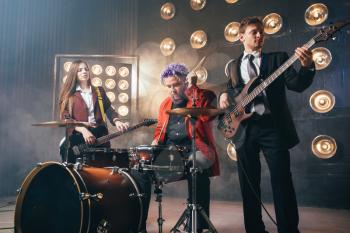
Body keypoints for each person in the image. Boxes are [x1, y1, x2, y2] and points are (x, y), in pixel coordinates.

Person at [219, 17, 315, 233]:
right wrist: (223, 95)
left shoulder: (278, 59)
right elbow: (233, 90)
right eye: (254, 32)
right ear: (241, 36)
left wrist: (307, 65)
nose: (260, 35)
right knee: (248, 185)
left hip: (272, 127)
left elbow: (297, 85)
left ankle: (288, 229)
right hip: (244, 130)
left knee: (282, 182)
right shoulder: (234, 65)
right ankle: (254, 229)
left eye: (262, 32)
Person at [58, 60, 151, 233]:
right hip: (79, 142)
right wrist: (83, 130)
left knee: (103, 180)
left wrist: (117, 121)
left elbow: (109, 110)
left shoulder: (99, 91)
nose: (85, 72)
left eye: (86, 69)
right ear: (74, 74)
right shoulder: (69, 96)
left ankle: (105, 217)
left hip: (101, 140)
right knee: (82, 181)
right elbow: (66, 119)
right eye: (80, 70)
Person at [152, 63, 220, 232]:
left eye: (175, 85)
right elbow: (161, 128)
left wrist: (193, 89)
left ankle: (197, 224)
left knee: (195, 167)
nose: (172, 90)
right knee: (141, 169)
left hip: (196, 149)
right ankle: (138, 224)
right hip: (170, 152)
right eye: (168, 86)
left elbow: (205, 116)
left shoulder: (203, 96)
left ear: (185, 82)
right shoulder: (165, 104)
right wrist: (155, 142)